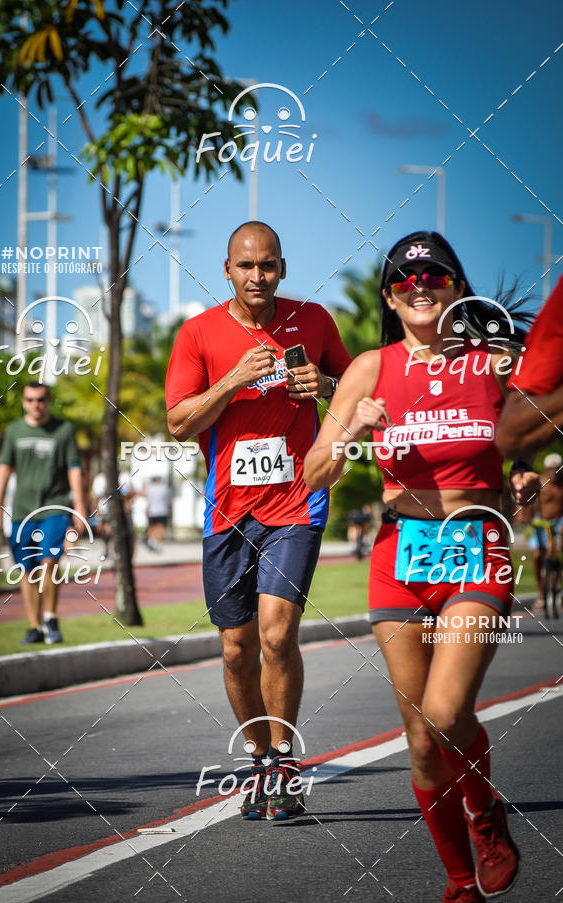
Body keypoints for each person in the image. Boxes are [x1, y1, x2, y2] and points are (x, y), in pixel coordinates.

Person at [304, 231, 540, 902]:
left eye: (434, 276)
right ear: (389, 296)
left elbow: (537, 429)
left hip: (476, 544)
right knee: (419, 738)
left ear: (457, 287)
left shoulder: (494, 362)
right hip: (398, 554)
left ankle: (484, 811)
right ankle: (461, 881)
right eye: (405, 281)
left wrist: (526, 472)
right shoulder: (370, 370)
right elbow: (314, 472)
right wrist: (352, 430)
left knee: (442, 710)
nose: (420, 288)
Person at [166, 221, 351, 820]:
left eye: (267, 265)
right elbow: (179, 423)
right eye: (245, 266)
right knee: (236, 648)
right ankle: (258, 759)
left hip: (296, 502)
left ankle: (285, 765)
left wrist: (324, 384)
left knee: (276, 634)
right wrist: (233, 379)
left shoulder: (314, 321)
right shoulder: (198, 333)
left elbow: (358, 391)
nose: (257, 276)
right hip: (228, 509)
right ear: (227, 271)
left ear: (282, 269)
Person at [0, 382, 87, 644]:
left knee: (49, 561)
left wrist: (80, 506)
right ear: (24, 402)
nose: (36, 405)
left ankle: (50, 618)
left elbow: (74, 468)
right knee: (27, 570)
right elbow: (4, 468)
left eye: (41, 400)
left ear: (48, 401)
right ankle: (34, 626)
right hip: (22, 511)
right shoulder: (14, 431)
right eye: (31, 400)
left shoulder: (63, 430)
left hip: (54, 507)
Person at [496, 275, 563, 458]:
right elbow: (512, 436)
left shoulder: (495, 358)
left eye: (437, 279)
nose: (424, 288)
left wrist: (522, 465)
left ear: (459, 289)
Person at [526, 453, 563, 610]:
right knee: (537, 555)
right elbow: (528, 504)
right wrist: (528, 519)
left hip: (560, 521)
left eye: (557, 469)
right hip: (541, 523)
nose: (554, 472)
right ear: (546, 469)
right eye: (551, 469)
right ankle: (541, 594)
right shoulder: (539, 483)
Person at [145, 476, 172, 548]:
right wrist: (170, 511)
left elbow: (148, 501)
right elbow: (169, 501)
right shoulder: (165, 488)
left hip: (153, 511)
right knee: (160, 527)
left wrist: (147, 510)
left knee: (152, 527)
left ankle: (151, 541)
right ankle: (158, 543)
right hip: (163, 510)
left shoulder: (150, 488)